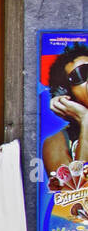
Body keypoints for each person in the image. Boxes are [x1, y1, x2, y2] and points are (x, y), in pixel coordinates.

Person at [42, 43, 88, 178]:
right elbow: (75, 195)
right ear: (68, 94)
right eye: (80, 75)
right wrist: (86, 121)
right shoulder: (57, 142)